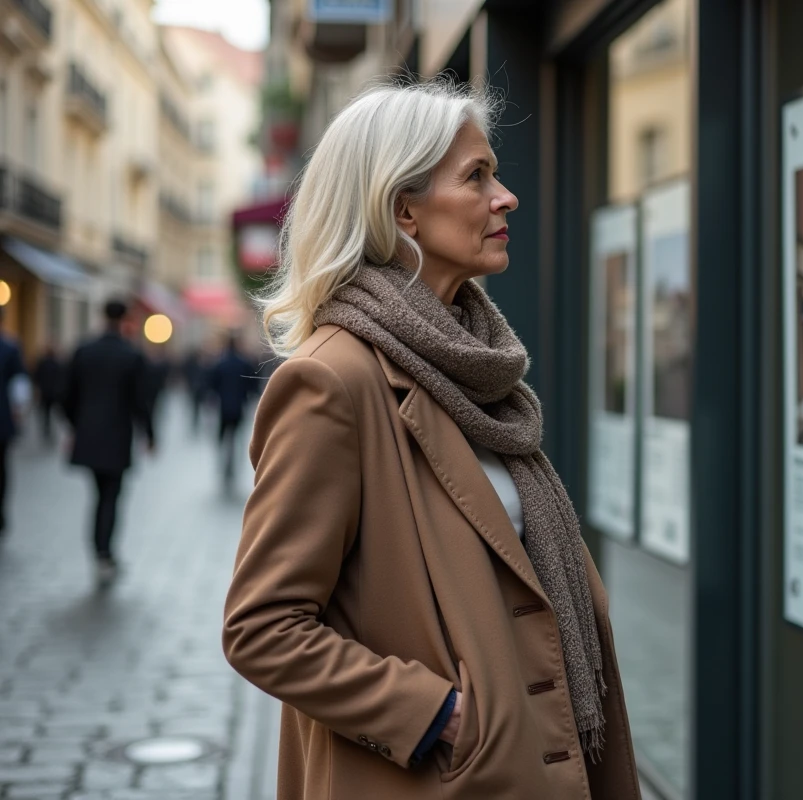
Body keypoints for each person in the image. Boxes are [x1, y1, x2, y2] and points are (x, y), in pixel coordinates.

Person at [222, 81, 639, 800]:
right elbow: (263, 627)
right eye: (477, 176)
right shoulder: (332, 383)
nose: (505, 197)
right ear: (401, 208)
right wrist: (438, 716)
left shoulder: (476, 368)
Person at [62, 299, 155, 582]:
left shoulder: (83, 351)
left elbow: (66, 396)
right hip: (117, 437)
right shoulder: (131, 355)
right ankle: (104, 552)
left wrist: (76, 425)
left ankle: (99, 549)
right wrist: (150, 434)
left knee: (98, 494)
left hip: (89, 436)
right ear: (125, 318)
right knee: (111, 497)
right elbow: (141, 401)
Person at [208, 334, 255, 491]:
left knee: (223, 438)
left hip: (223, 407)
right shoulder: (244, 364)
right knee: (237, 437)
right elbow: (252, 385)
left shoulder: (220, 364)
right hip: (239, 407)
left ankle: (224, 465)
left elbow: (212, 385)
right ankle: (233, 465)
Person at [0, 306, 26, 536]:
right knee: (2, 468)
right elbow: (19, 385)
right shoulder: (10, 347)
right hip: (3, 418)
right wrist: (18, 412)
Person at [33, 345, 62, 444]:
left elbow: (36, 377)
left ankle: (47, 428)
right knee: (52, 412)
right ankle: (50, 428)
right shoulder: (56, 363)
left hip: (45, 391)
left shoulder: (42, 363)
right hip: (54, 392)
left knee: (45, 412)